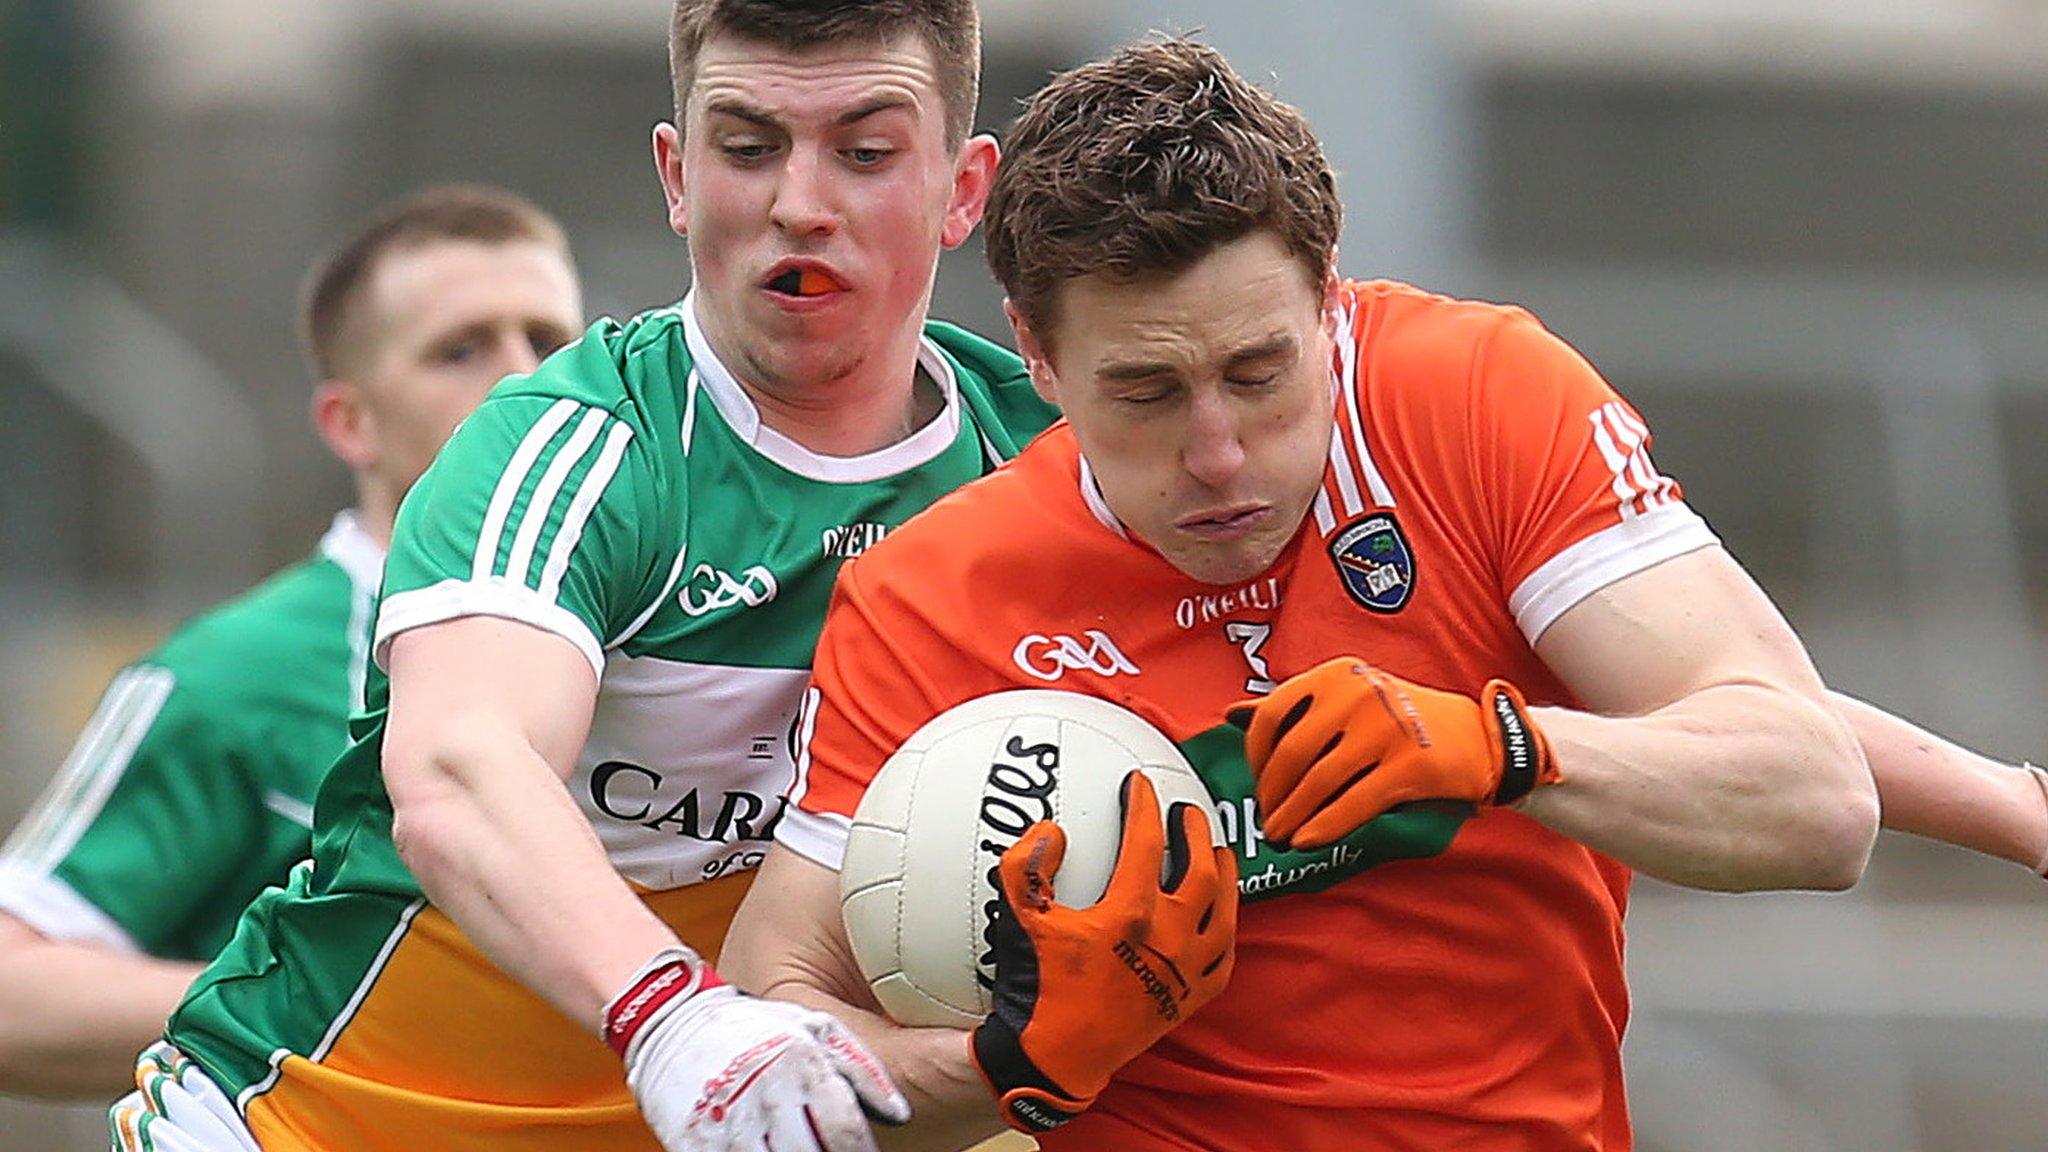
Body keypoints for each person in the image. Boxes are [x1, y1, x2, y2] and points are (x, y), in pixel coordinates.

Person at [720, 37, 1883, 1151]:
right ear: (1034, 351)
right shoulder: (931, 595)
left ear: (1328, 298)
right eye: (1143, 392)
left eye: (1258, 373)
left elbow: (1818, 803)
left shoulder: (1473, 404)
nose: (1218, 452)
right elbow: (768, 1032)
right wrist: (1014, 1064)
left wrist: (1498, 750)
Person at [112, 3, 1057, 1151]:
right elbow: (462, 769)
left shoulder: (1040, 469)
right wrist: (669, 1014)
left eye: (864, 153)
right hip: (309, 1123)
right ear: (675, 173)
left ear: (961, 190)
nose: (798, 204)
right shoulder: (575, 442)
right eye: (746, 147)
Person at [0, 183, 583, 1100]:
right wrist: (319, 1002)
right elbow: (12, 994)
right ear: (349, 422)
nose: (519, 378)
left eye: (548, 341)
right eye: (458, 349)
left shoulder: (670, 625)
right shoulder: (234, 677)